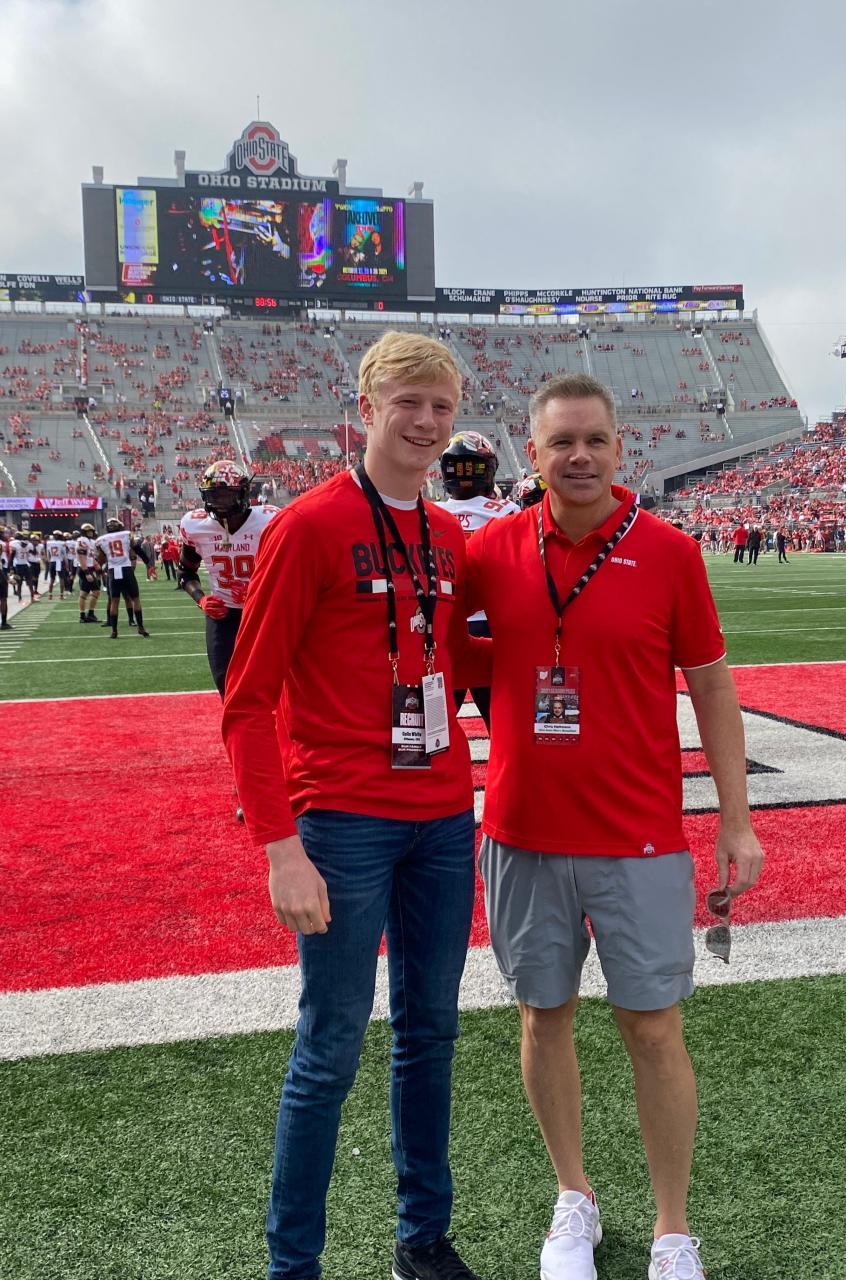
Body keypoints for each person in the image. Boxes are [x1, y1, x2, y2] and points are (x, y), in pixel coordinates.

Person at [466, 372, 764, 1280]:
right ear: (533, 451)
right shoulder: (491, 553)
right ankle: (574, 1198)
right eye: (561, 442)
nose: (579, 456)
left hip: (638, 834)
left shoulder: (669, 551)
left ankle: (672, 1229)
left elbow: (712, 684)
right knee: (540, 1019)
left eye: (594, 439)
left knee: (654, 1029)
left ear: (620, 447)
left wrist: (737, 820)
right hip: (521, 832)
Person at [221, 331, 488, 1280]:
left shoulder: (449, 533)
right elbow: (247, 703)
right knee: (329, 1047)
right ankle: (294, 1264)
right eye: (407, 403)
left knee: (432, 1034)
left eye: (441, 407)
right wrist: (279, 847)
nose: (424, 422)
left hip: (444, 817)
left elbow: (456, 665)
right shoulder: (307, 525)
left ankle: (422, 1237)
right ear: (366, 406)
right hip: (342, 822)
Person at [178, 460, 279, 700]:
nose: (217, 502)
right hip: (224, 614)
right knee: (227, 686)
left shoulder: (269, 521)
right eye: (212, 495)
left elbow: (296, 568)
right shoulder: (195, 525)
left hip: (266, 611)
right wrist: (201, 600)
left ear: (244, 492)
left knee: (278, 683)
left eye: (224, 495)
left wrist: (264, 591)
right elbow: (186, 573)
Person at [438, 430, 518, 730]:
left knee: (437, 721)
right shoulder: (507, 512)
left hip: (444, 625)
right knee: (501, 722)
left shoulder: (430, 512)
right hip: (491, 623)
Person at [95, 518, 149, 639]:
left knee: (114, 601)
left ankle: (114, 630)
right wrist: (146, 561)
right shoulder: (126, 534)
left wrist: (100, 568)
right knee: (135, 598)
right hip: (126, 569)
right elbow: (136, 548)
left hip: (113, 571)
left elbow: (101, 559)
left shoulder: (101, 540)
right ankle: (140, 627)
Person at [75, 524, 102, 624]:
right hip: (84, 569)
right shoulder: (82, 541)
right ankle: (89, 615)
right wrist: (87, 572)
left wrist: (97, 565)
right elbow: (82, 557)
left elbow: (90, 557)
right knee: (95, 592)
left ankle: (84, 616)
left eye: (91, 531)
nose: (90, 532)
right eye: (88, 531)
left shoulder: (90, 541)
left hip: (88, 568)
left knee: (84, 593)